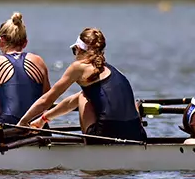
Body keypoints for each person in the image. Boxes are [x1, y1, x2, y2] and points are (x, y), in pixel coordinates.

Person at [17, 27, 145, 142]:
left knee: (83, 97)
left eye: (74, 50)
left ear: (78, 49)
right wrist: (43, 119)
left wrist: (23, 122)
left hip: (106, 134)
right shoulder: (111, 70)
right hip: (136, 134)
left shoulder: (79, 67)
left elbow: (47, 99)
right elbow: (69, 102)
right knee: (84, 95)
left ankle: (89, 147)